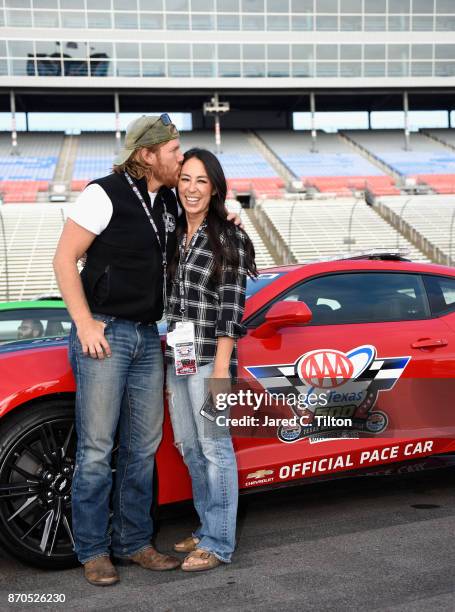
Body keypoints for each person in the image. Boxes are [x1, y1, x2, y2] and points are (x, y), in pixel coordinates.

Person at [53, 115, 242, 586]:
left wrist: (230, 209)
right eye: (175, 152)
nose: (180, 160)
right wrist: (84, 323)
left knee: (142, 449)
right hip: (107, 334)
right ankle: (95, 551)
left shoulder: (167, 205)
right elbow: (63, 258)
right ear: (147, 155)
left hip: (149, 338)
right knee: (97, 450)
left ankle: (134, 542)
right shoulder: (103, 193)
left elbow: (210, 220)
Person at [165, 148, 257, 572]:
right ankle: (206, 527)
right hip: (177, 356)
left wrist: (222, 367)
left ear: (215, 187)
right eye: (185, 178)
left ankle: (219, 543)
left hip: (210, 360)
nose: (192, 188)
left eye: (201, 180)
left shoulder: (229, 236)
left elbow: (231, 305)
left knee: (215, 447)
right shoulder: (174, 230)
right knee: (189, 446)